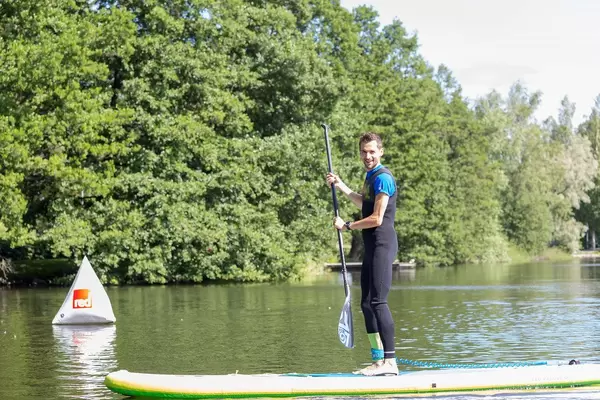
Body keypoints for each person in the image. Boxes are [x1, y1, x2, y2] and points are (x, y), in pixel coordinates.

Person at [326, 132, 398, 376]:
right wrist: (340, 185)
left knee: (378, 302)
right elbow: (363, 204)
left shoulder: (384, 178)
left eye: (372, 151)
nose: (368, 156)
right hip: (372, 246)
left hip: (383, 244)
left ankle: (391, 362)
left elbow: (377, 218)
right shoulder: (370, 177)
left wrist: (347, 226)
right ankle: (378, 361)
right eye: (364, 152)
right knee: (366, 303)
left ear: (380, 152)